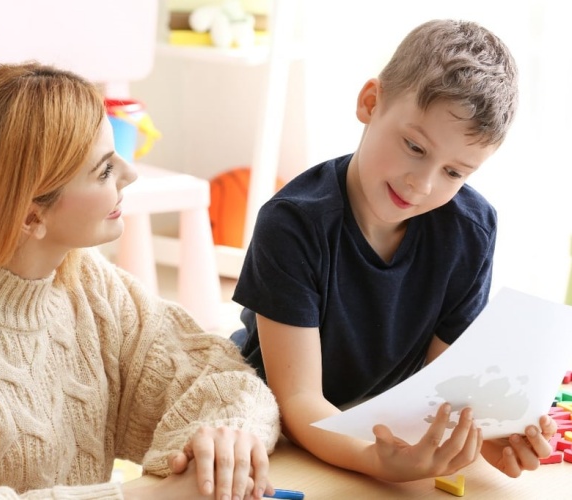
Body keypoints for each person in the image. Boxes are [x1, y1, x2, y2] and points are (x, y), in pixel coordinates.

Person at [231, 19, 556, 482]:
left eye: (454, 173)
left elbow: (442, 386)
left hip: (377, 421)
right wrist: (374, 460)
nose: (421, 184)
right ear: (370, 103)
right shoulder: (293, 223)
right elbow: (298, 399)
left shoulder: (471, 230)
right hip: (279, 423)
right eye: (414, 147)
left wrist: (487, 433)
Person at [0, 62, 280, 500]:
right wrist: (153, 496)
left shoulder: (89, 283)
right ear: (30, 216)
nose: (130, 174)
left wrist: (224, 439)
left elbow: (225, 379)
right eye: (103, 171)